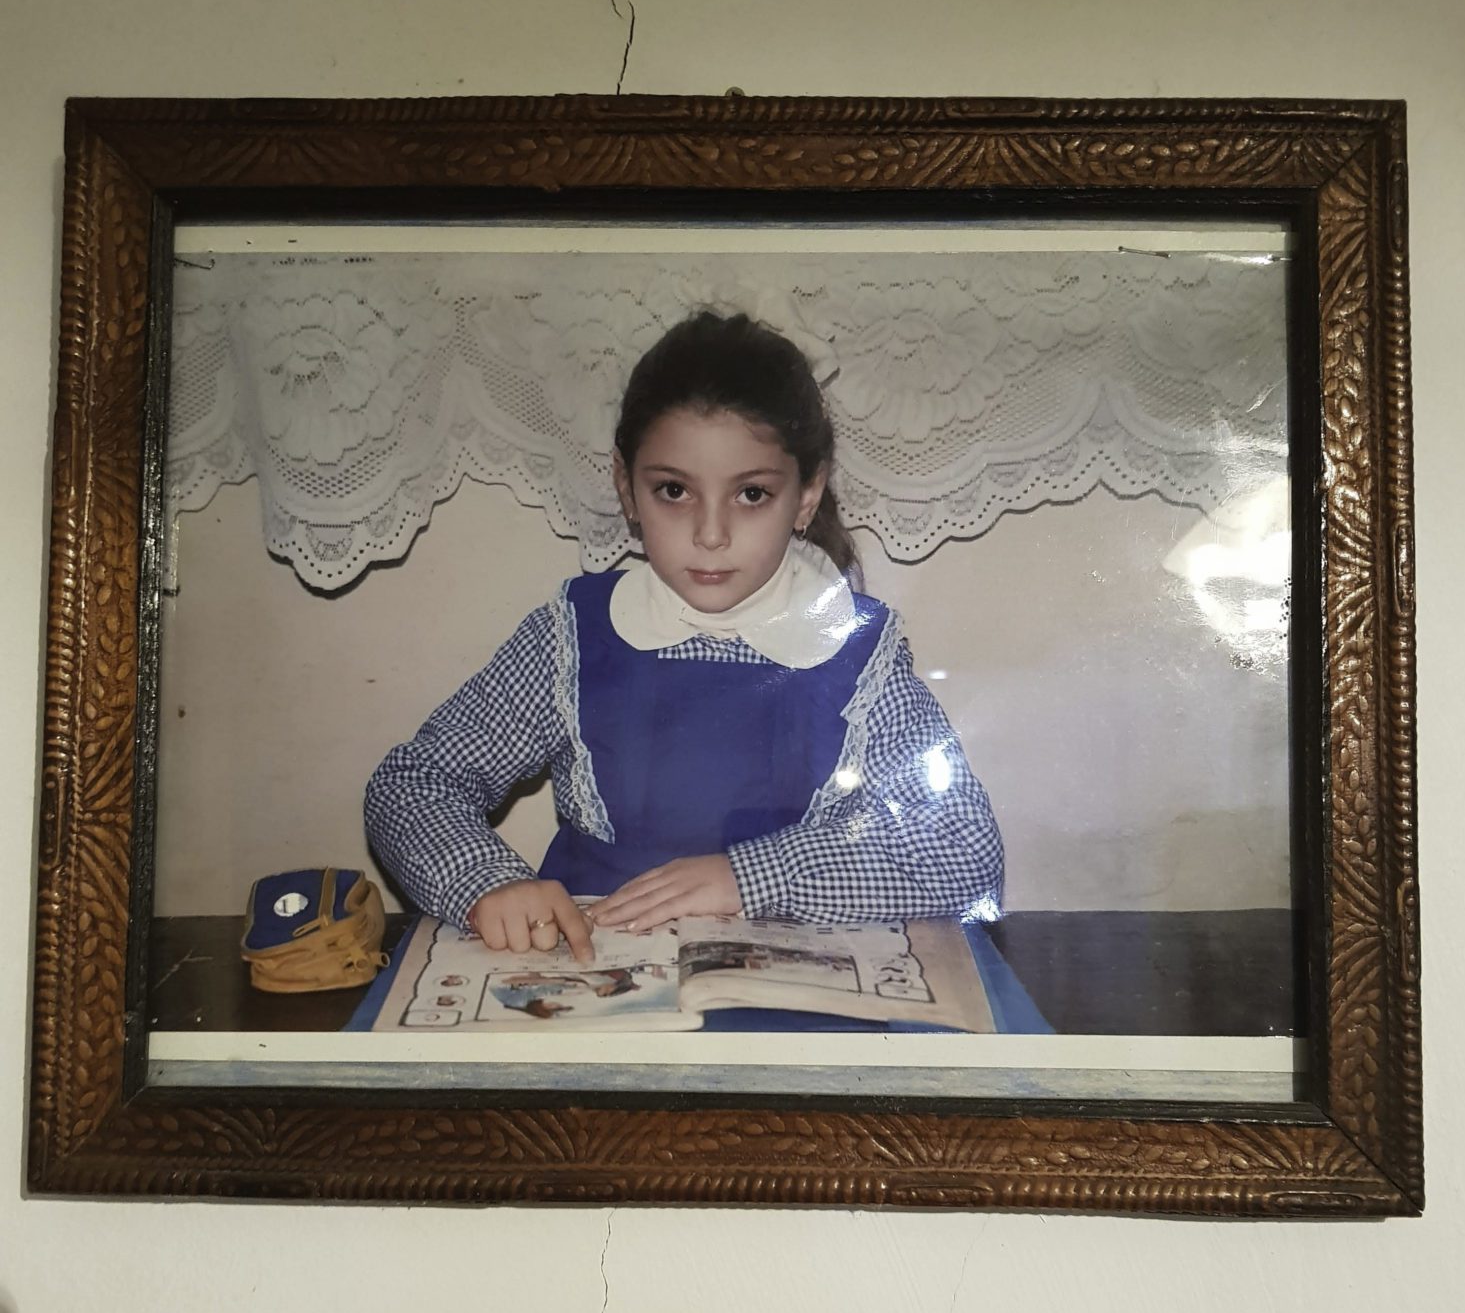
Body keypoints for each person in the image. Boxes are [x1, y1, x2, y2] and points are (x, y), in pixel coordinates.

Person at [365, 309, 1003, 964]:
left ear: (807, 495)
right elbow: (413, 783)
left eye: (751, 495)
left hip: (789, 978)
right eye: (674, 490)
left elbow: (962, 852)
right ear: (627, 488)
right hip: (594, 971)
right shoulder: (571, 637)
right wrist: (487, 883)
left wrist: (748, 879)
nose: (710, 534)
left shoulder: (859, 654)